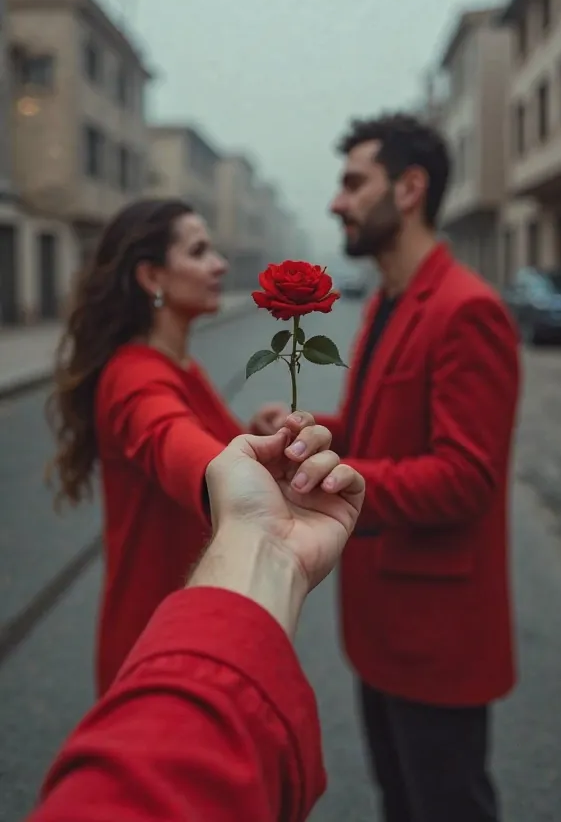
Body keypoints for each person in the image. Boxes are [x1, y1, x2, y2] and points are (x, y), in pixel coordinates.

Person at [253, 113, 521, 822]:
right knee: (400, 804)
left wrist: (338, 480)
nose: (336, 201)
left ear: (408, 189)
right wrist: (314, 430)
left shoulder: (468, 310)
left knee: (447, 808)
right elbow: (380, 426)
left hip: (438, 637)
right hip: (381, 626)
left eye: (352, 183)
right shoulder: (388, 301)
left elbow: (468, 476)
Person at [47, 198, 333, 695]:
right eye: (199, 251)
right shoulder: (134, 376)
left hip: (199, 621)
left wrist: (254, 432)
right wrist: (228, 470)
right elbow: (169, 439)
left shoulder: (181, 366)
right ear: (153, 277)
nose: (220, 264)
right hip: (157, 644)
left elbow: (194, 433)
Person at [29, 427, 365, 822]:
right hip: (164, 607)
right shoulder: (136, 370)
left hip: (188, 616)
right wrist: (218, 469)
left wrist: (260, 534)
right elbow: (164, 432)